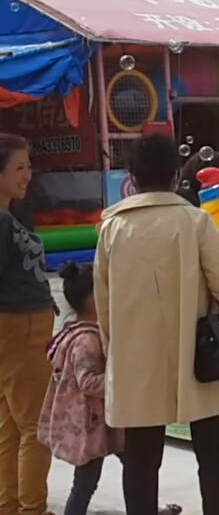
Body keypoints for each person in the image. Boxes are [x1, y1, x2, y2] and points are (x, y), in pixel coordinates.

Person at [94, 134, 219, 515]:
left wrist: (113, 354)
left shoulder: (112, 229)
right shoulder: (196, 221)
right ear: (176, 176)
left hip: (137, 359)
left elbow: (103, 305)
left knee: (141, 460)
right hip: (202, 354)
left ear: (132, 179)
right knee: (213, 454)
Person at [37, 262, 120, 515]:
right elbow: (88, 382)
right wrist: (122, 380)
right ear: (94, 301)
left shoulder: (73, 333)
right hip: (92, 426)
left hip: (96, 423)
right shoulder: (87, 341)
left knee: (135, 463)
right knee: (85, 484)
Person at [0, 133, 55, 515]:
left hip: (21, 334)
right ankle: (31, 509)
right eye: (19, 167)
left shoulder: (8, 217)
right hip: (20, 332)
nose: (27, 175)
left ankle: (10, 505)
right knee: (36, 428)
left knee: (10, 427)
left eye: (29, 166)